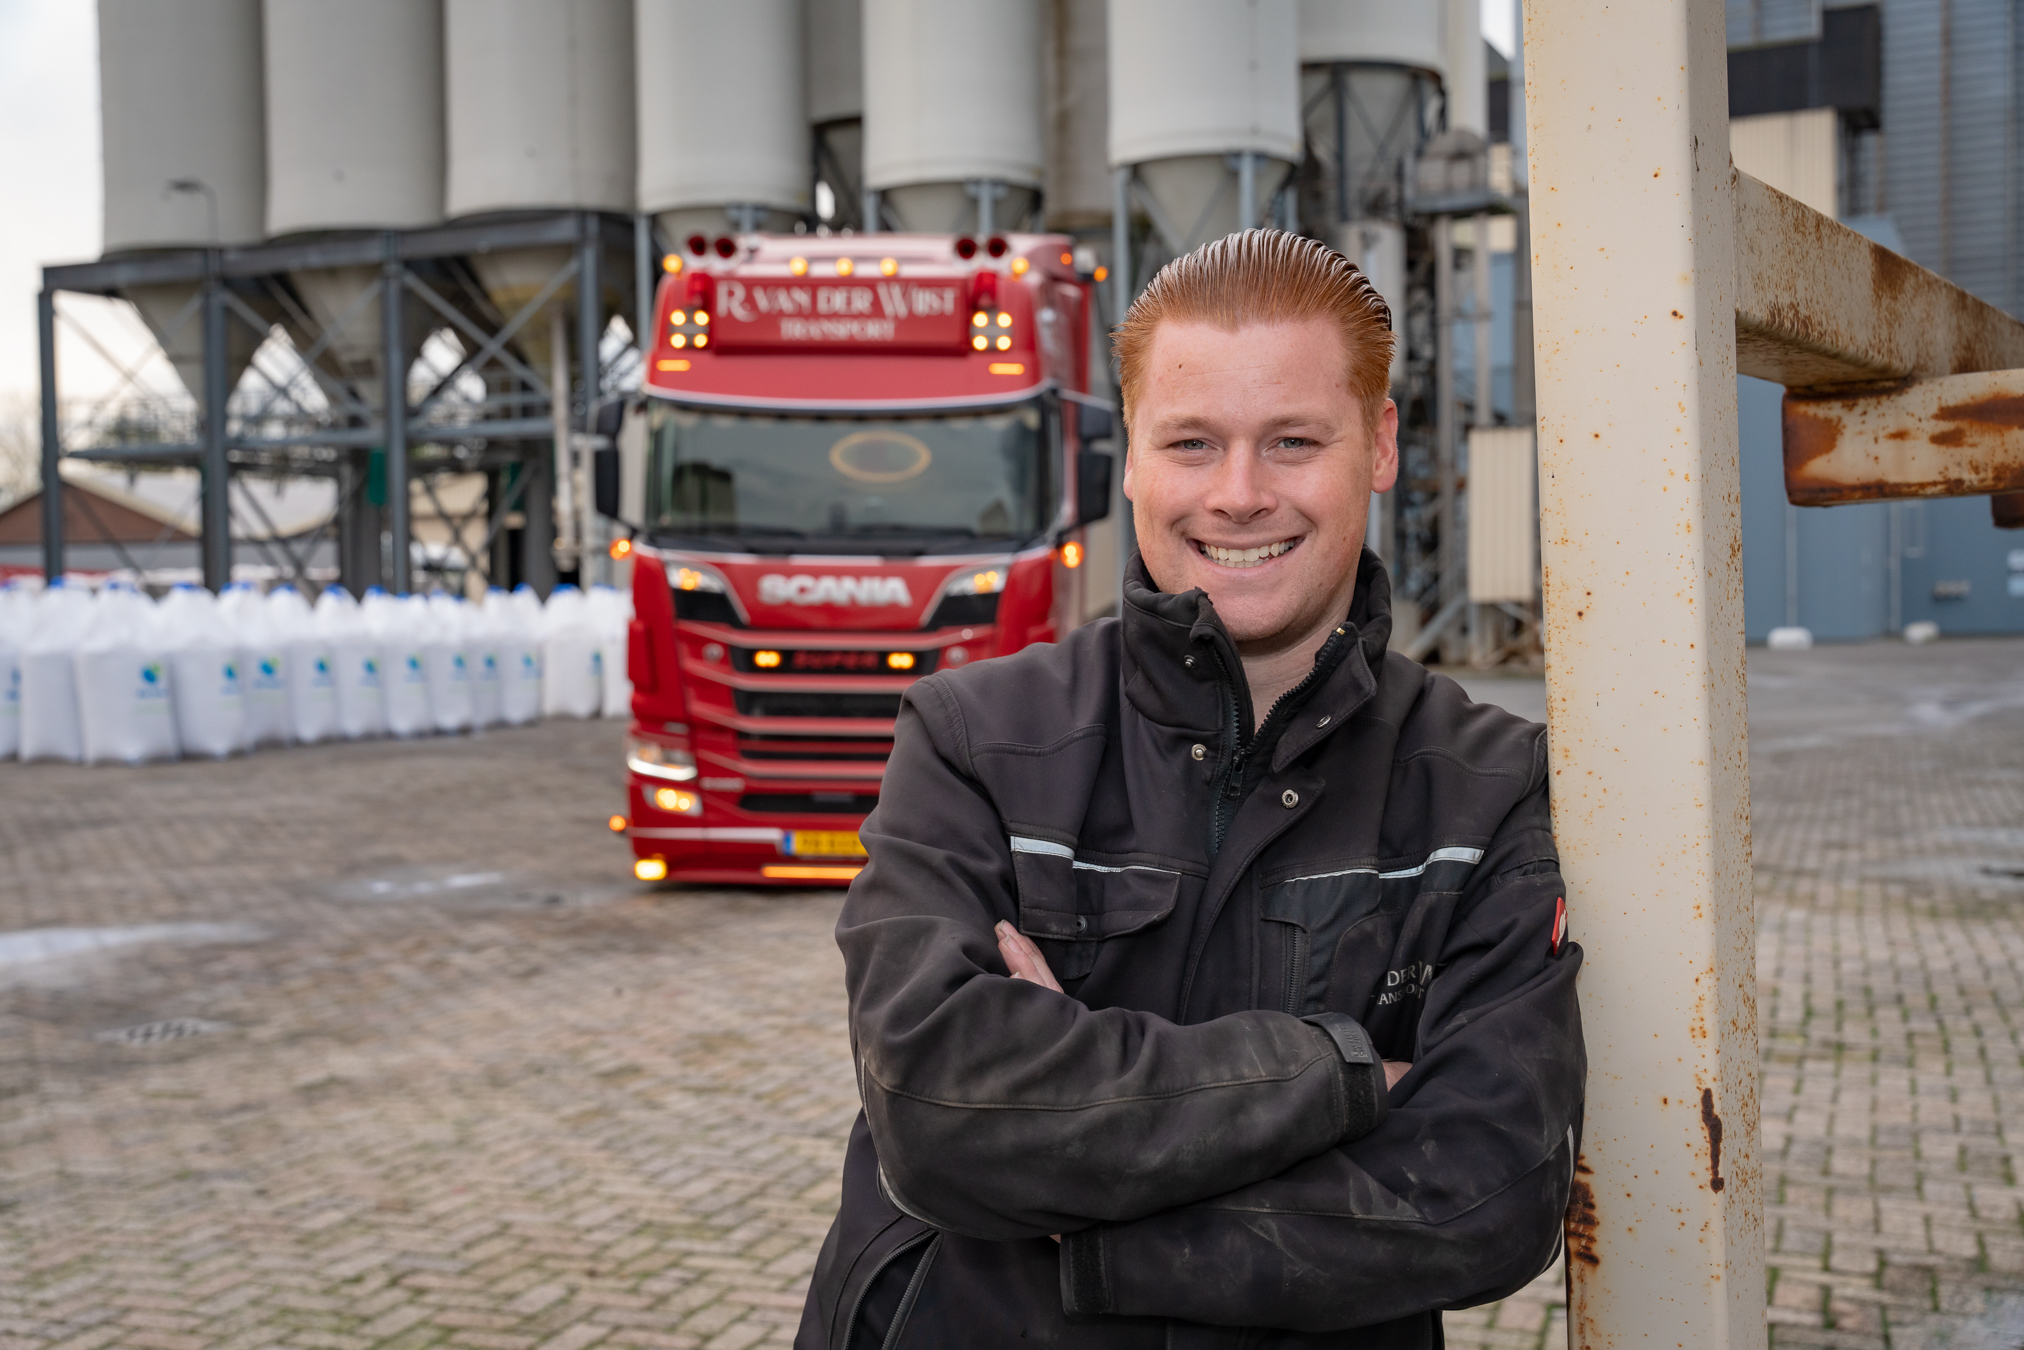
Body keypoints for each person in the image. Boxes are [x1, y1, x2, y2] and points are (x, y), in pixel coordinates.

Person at [795, 229, 1584, 1350]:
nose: (1238, 494)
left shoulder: (1484, 789)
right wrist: (1348, 1077)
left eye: (1292, 441)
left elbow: (1483, 1197)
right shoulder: (973, 739)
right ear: (1132, 459)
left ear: (1379, 444)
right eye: (1192, 442)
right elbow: (940, 1112)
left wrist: (1076, 1208)